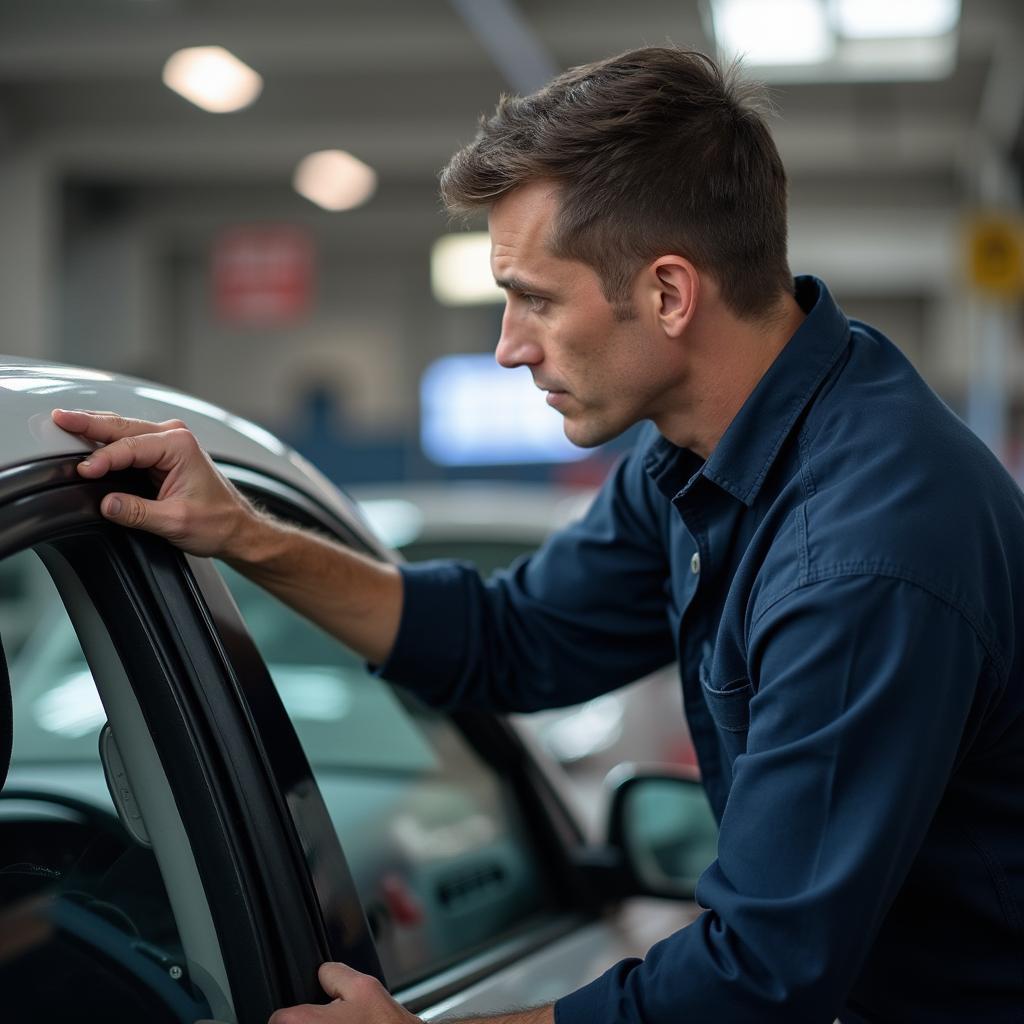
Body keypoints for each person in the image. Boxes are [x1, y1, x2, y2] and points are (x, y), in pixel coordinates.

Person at [52, 46, 1024, 1024]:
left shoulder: (860, 553)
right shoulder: (704, 449)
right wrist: (241, 532)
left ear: (669, 294)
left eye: (535, 298)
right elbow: (510, 638)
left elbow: (757, 979)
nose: (509, 346)